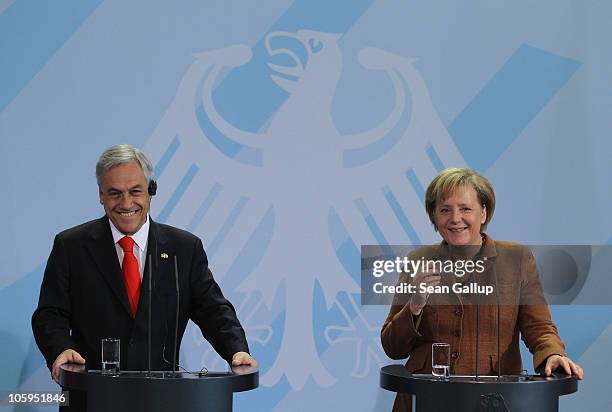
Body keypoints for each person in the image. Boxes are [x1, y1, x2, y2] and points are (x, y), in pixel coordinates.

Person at [32, 144, 256, 388]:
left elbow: (213, 310)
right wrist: (60, 349)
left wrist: (236, 350)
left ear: (151, 190)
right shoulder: (71, 246)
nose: (126, 203)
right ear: (100, 195)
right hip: (90, 395)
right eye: (114, 193)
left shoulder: (184, 249)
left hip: (161, 397)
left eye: (135, 191)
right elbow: (50, 314)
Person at [380, 167, 583, 412]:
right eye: (445, 209)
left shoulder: (516, 259)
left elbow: (538, 327)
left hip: (494, 399)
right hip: (425, 398)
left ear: (483, 213)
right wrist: (414, 305)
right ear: (434, 216)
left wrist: (552, 354)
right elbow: (392, 347)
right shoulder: (417, 261)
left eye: (466, 209)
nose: (455, 218)